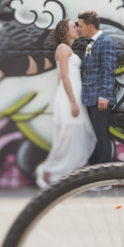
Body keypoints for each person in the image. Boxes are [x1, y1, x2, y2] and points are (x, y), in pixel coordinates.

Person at [36, 19, 96, 188]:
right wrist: (72, 102)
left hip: (71, 97)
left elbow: (59, 78)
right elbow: (64, 77)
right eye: (73, 27)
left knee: (78, 137)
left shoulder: (67, 49)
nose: (77, 28)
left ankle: (72, 175)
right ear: (65, 31)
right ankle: (46, 172)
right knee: (65, 139)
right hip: (70, 100)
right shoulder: (63, 49)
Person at [77, 10, 117, 165]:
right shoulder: (90, 43)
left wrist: (104, 96)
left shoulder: (106, 43)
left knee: (102, 137)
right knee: (93, 137)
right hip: (89, 98)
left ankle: (104, 176)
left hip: (100, 99)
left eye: (80, 26)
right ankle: (93, 172)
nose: (79, 28)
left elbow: (109, 71)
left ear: (90, 26)